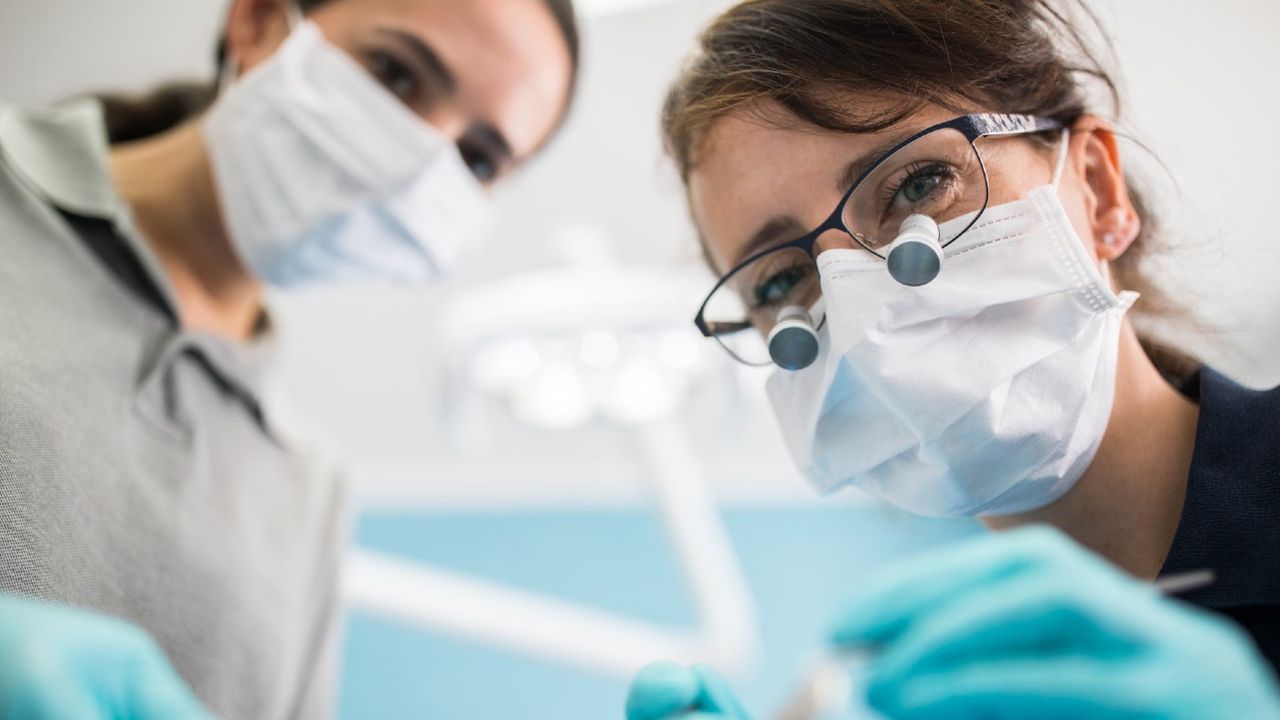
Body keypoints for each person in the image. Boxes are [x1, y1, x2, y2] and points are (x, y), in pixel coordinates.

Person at [625, 0, 1280, 717]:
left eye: (918, 185)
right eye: (780, 282)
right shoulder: (931, 682)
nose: (855, 311)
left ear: (1096, 189)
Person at [0, 0, 577, 716]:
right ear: (258, 21)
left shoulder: (309, 490)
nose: (418, 163)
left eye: (478, 157)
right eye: (396, 75)